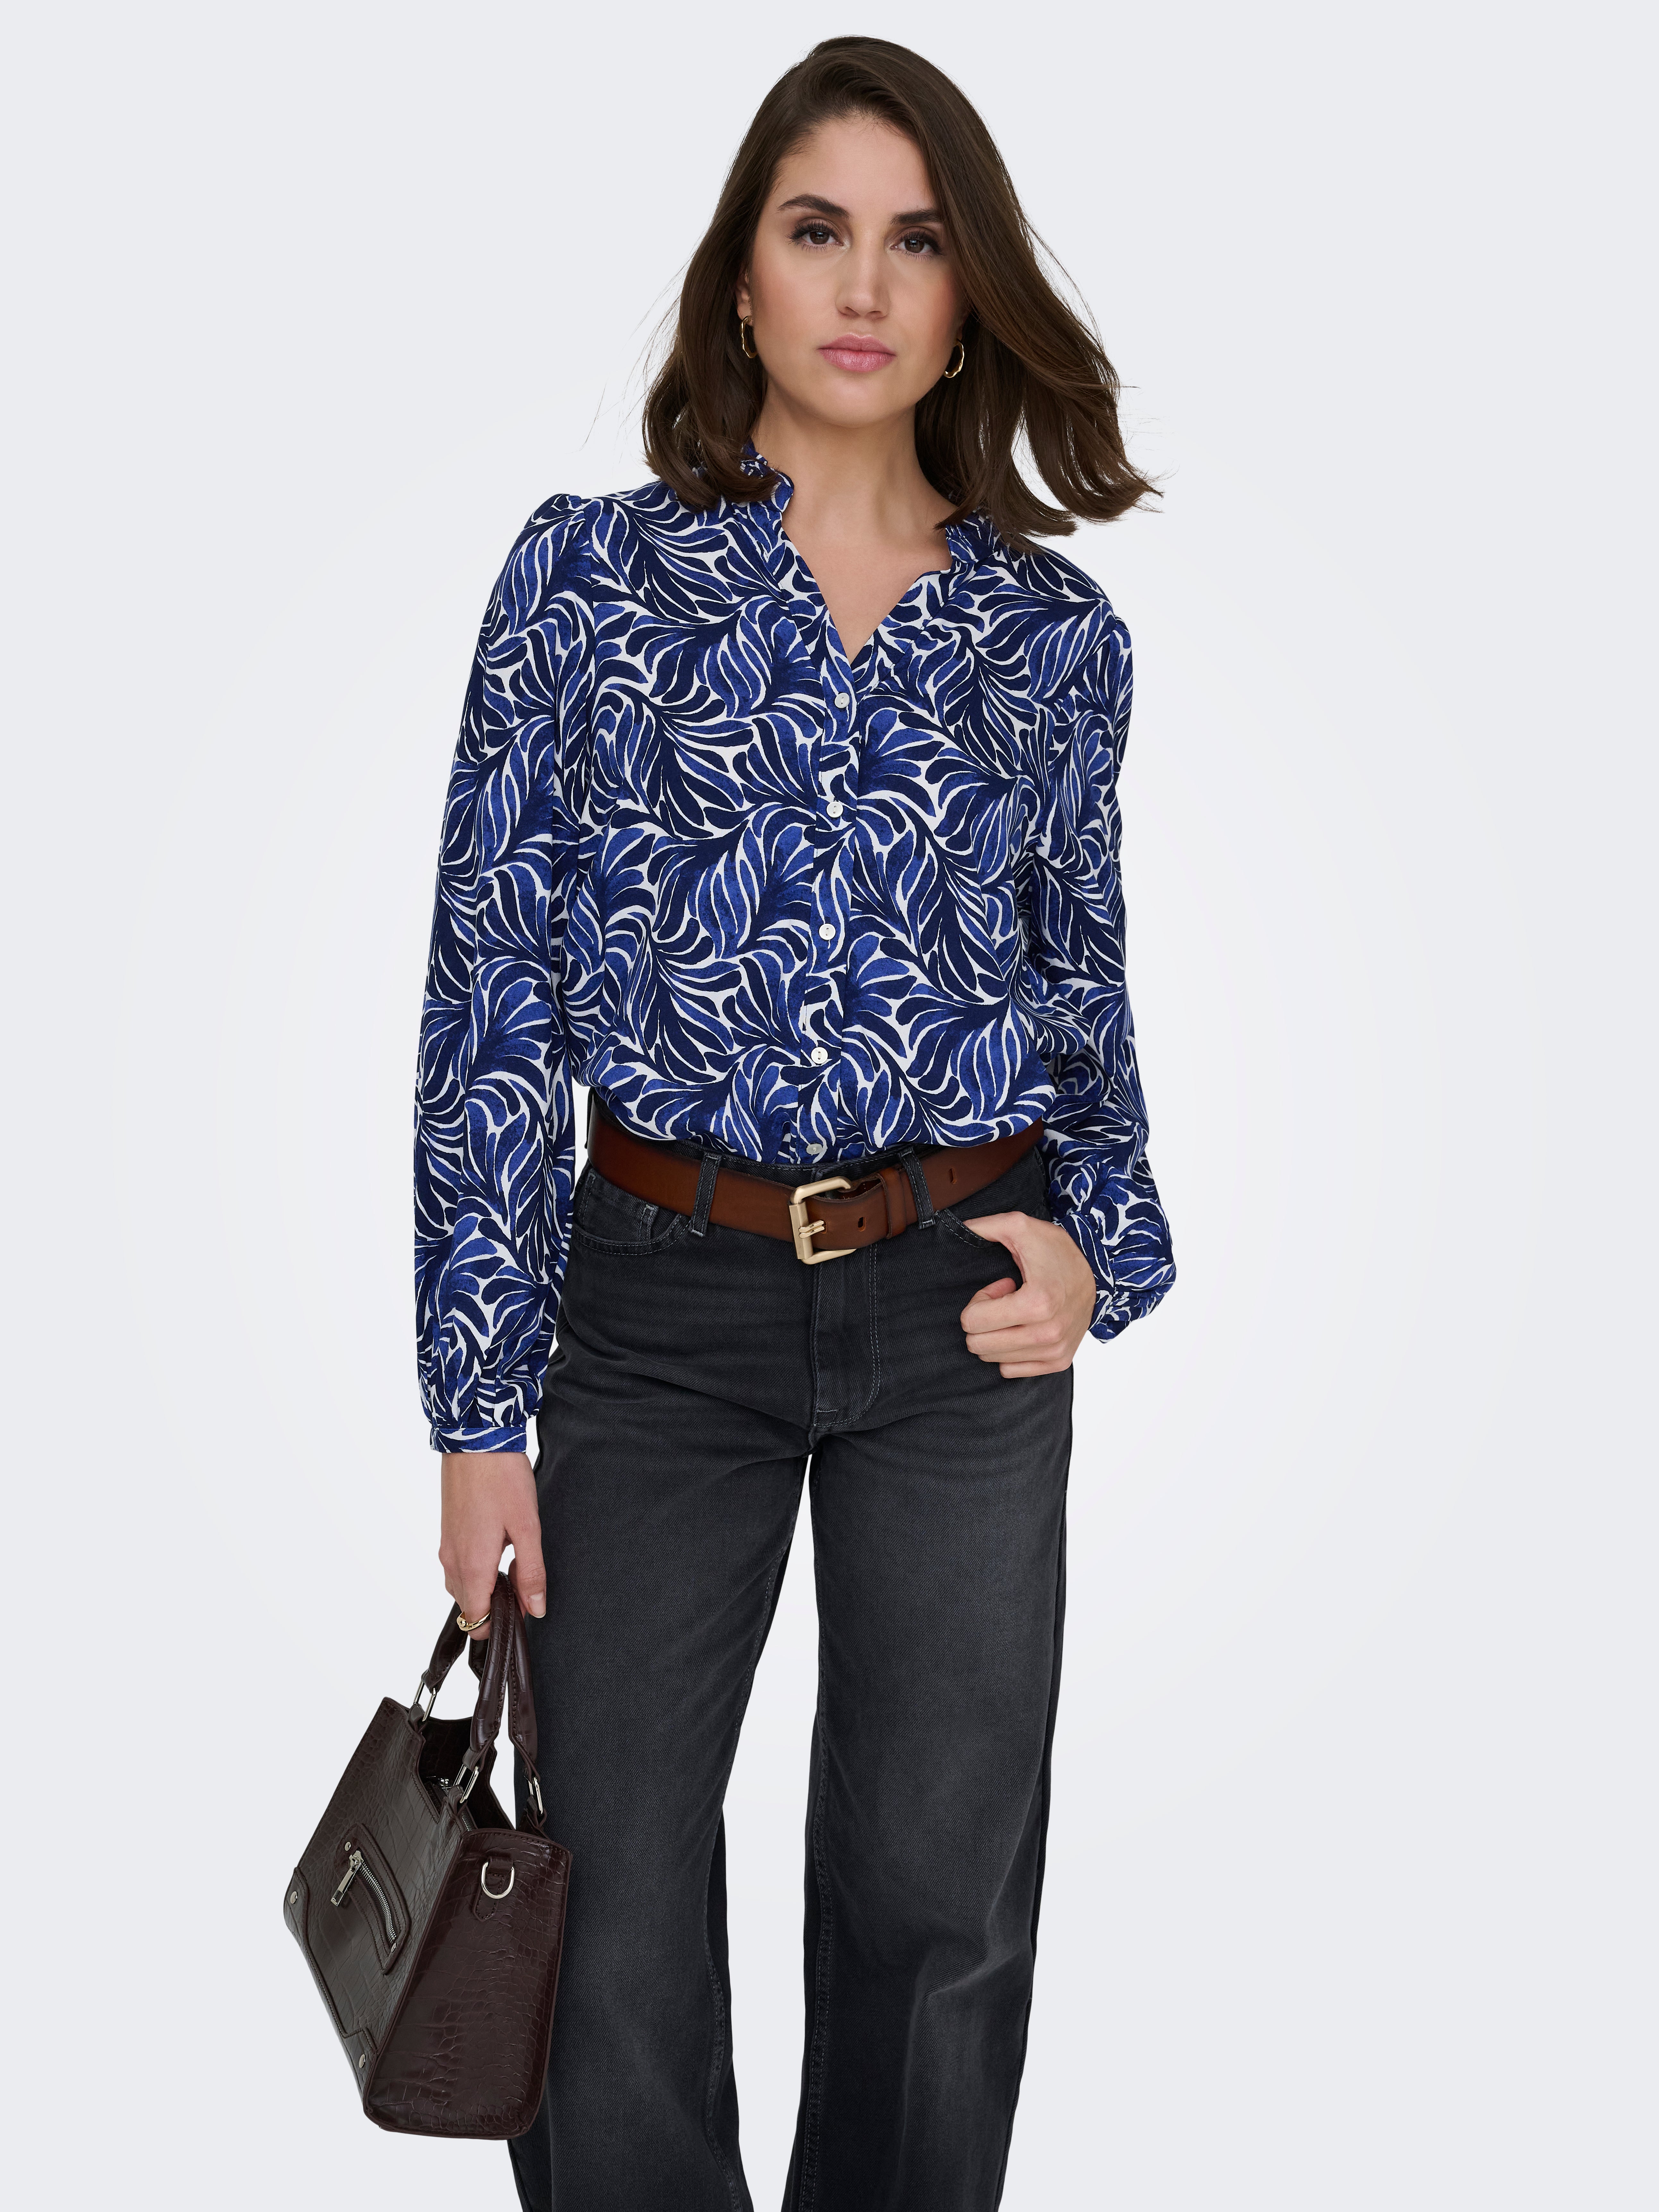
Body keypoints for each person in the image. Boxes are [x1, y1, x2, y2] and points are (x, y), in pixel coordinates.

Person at [415, 35, 1175, 2211]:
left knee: (941, 1897)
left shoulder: (1050, 638)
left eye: (916, 242)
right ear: (738, 277)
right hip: (654, 1313)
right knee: (607, 1899)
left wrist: (1098, 1246)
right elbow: (492, 997)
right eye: (816, 228)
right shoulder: (587, 586)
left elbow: (1079, 986)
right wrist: (476, 1413)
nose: (863, 284)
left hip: (958, 1312)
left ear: (966, 295)